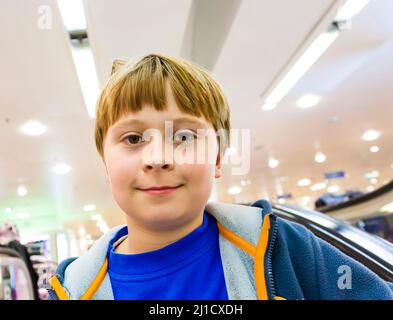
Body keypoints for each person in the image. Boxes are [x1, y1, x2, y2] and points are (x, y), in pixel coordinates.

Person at [47, 54, 393, 300]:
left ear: (217, 157)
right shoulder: (75, 289)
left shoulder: (284, 249)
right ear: (105, 163)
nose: (158, 158)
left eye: (183, 137)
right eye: (133, 139)